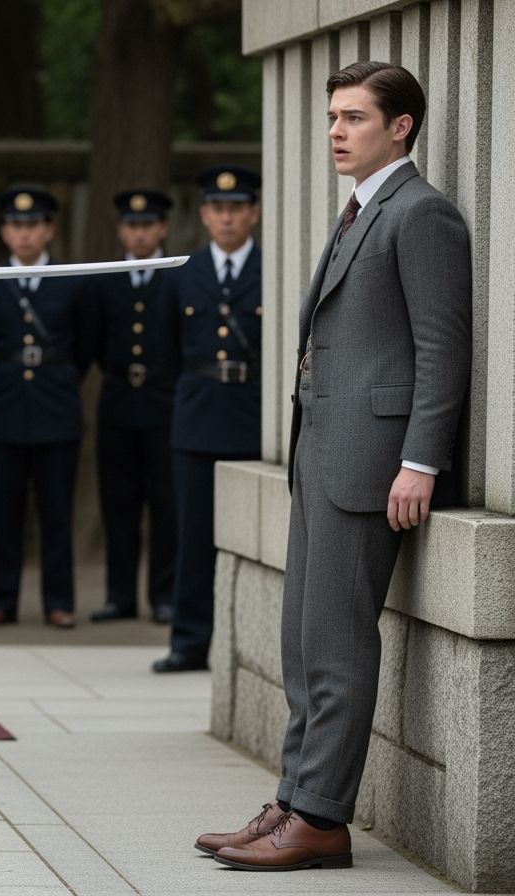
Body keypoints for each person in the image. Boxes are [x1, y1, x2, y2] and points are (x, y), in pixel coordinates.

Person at [203, 62, 471, 872]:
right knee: (304, 642)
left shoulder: (421, 214)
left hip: (375, 467)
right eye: (331, 117)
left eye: (354, 117)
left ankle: (320, 819)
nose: (335, 131)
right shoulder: (362, 209)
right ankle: (292, 798)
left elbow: (442, 347)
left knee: (339, 648)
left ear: (401, 126)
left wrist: (419, 461)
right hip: (323, 454)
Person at [152, 166, 263, 673]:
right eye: (218, 209)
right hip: (197, 417)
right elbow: (164, 351)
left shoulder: (272, 267)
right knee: (192, 537)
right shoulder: (182, 272)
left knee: (257, 538)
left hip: (253, 416)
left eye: (237, 208)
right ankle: (190, 642)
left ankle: (254, 646)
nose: (227, 218)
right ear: (203, 215)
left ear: (254, 213)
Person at [0, 184, 94, 629]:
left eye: (33, 224)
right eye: (15, 224)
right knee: (4, 513)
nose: (24, 233)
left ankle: (58, 601)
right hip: (6, 409)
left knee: (55, 513)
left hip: (56, 409)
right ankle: (1, 600)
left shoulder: (71, 279)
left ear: (49, 230)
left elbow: (84, 348)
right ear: (4, 231)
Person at [88, 190, 179, 625]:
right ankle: (119, 595)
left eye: (147, 225)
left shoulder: (175, 275)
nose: (139, 233)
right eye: (131, 225)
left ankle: (163, 595)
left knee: (165, 503)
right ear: (121, 230)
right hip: (118, 398)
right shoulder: (104, 279)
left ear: (162, 228)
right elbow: (90, 342)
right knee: (118, 502)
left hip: (164, 400)